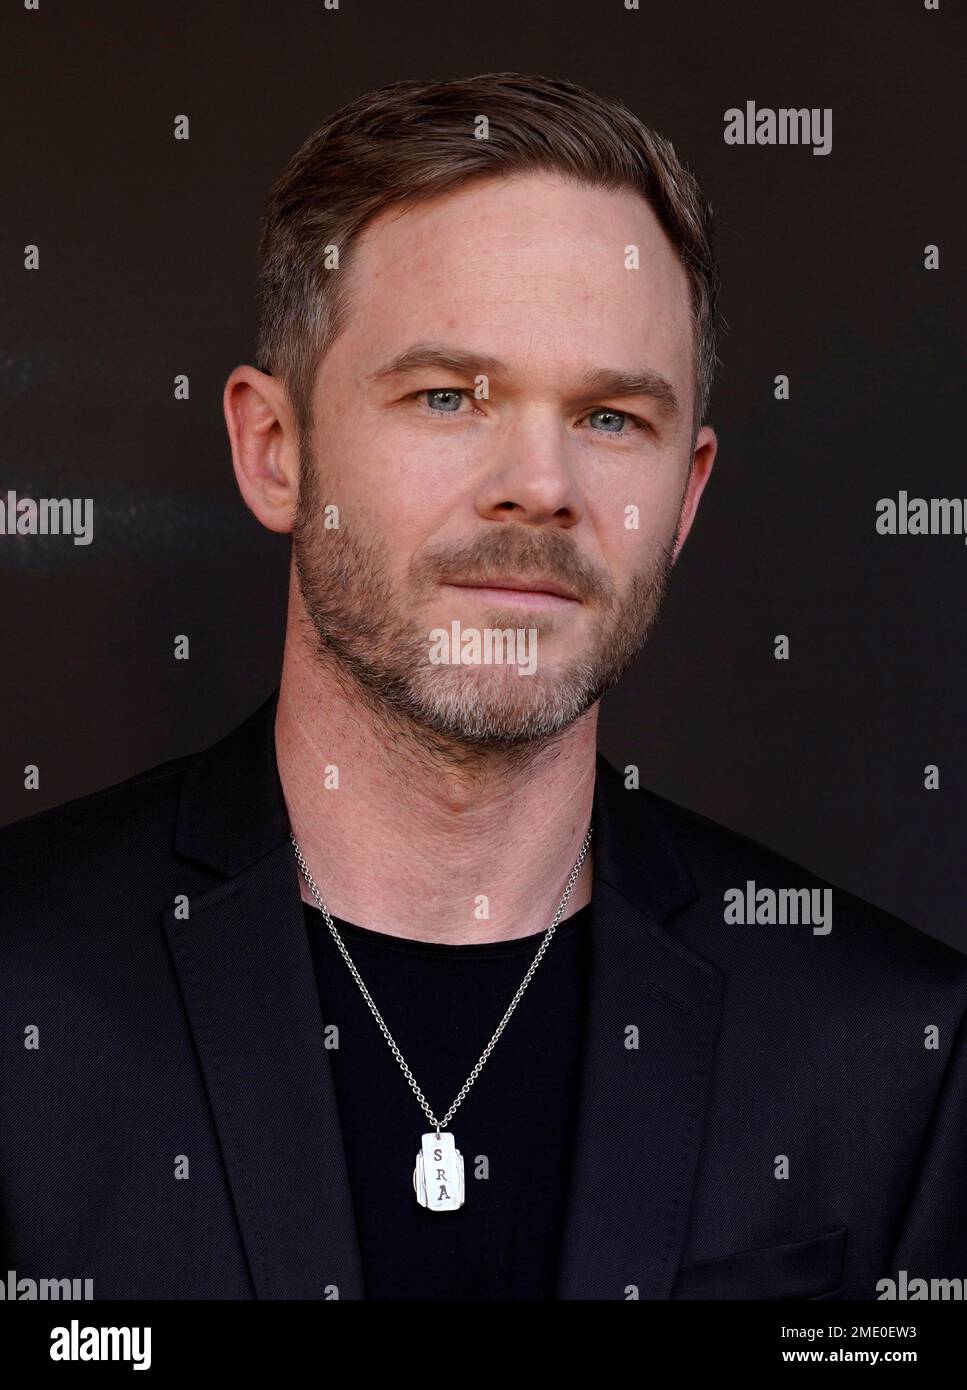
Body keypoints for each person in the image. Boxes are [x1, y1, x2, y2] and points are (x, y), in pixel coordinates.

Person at [2, 72, 966, 1302]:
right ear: (274, 450)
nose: (539, 483)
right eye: (449, 396)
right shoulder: (23, 989)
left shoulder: (890, 1048)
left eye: (613, 417)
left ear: (687, 497)